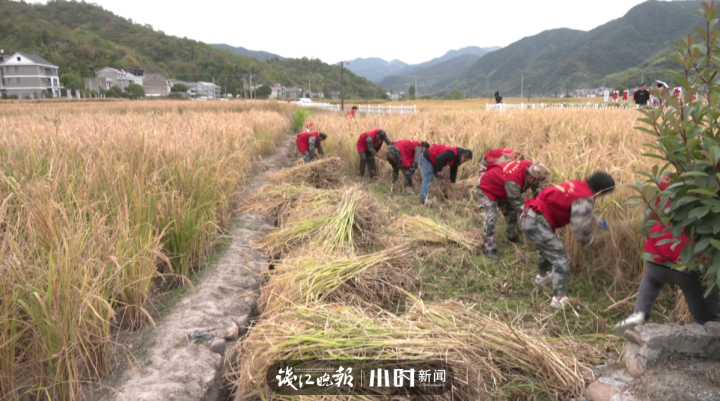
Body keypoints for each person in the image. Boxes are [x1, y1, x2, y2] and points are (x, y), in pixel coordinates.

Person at [614, 178, 720, 334]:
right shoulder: (708, 182)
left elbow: (647, 218)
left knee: (651, 280)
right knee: (708, 320)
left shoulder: (665, 180)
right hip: (688, 261)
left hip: (657, 253)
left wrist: (653, 236)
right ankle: (705, 348)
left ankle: (640, 313)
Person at [520, 172, 615, 308]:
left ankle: (543, 277)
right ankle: (559, 299)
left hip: (529, 216)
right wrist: (589, 241)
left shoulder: (578, 186)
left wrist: (599, 222)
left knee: (546, 248)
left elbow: (581, 209)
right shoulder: (586, 198)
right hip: (536, 222)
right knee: (561, 258)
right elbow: (579, 225)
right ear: (601, 191)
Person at [478, 160, 550, 261]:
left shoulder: (531, 168)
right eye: (538, 182)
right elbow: (519, 205)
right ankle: (489, 248)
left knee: (512, 212)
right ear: (530, 178)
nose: (539, 184)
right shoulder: (513, 181)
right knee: (491, 217)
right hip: (487, 186)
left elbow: (537, 192)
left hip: (503, 187)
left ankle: (510, 235)